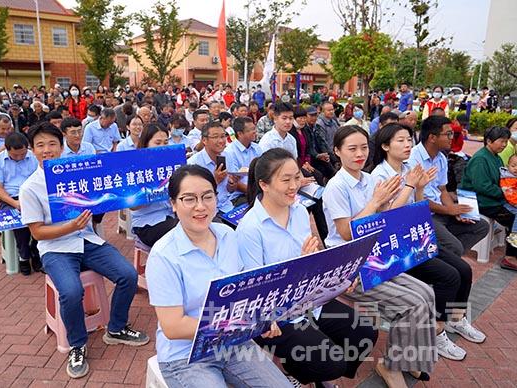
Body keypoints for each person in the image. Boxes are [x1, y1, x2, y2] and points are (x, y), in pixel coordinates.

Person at [236, 148, 378, 387]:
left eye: (296, 177)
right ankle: (300, 371)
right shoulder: (250, 229)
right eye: (286, 180)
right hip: (275, 315)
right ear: (264, 184)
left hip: (308, 299)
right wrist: (299, 266)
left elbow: (313, 261)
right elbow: (255, 291)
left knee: (364, 334)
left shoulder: (300, 211)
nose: (294, 185)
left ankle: (309, 371)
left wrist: (338, 278)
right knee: (332, 362)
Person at [19, 121, 149, 379]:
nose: (47, 150)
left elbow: (99, 201)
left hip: (86, 239)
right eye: (41, 145)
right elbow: (37, 233)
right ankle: (77, 345)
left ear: (61, 146)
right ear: (33, 150)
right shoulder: (29, 188)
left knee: (127, 275)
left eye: (52, 144)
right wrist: (70, 226)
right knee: (70, 291)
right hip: (56, 248)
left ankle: (116, 327)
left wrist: (110, 200)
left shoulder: (78, 176)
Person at [145, 164, 292, 388]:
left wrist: (262, 316)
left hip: (233, 344)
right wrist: (236, 324)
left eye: (207, 196)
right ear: (173, 204)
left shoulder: (227, 235)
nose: (200, 207)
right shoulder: (164, 255)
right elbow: (173, 326)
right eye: (189, 199)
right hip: (186, 356)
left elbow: (246, 288)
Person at [322, 125, 437, 387]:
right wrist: (375, 203)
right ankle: (390, 365)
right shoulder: (336, 187)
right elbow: (345, 232)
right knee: (412, 304)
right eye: (352, 149)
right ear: (337, 151)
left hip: (376, 256)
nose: (360, 154)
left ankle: (410, 357)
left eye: (364, 147)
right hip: (349, 266)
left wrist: (409, 189)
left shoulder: (371, 179)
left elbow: (388, 217)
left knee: (426, 294)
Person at [371, 122, 479, 360]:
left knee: (464, 269)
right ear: (386, 146)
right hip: (397, 246)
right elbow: (388, 219)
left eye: (409, 139)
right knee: (448, 277)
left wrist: (418, 188)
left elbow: (419, 208)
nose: (408, 144)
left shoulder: (409, 168)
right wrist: (410, 185)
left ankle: (456, 319)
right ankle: (436, 330)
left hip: (415, 237)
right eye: (400, 140)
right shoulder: (380, 175)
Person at [407, 116, 490, 342]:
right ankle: (442, 270)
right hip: (427, 215)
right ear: (432, 137)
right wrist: (448, 210)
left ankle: (455, 315)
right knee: (454, 251)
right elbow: (418, 201)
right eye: (448, 134)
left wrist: (455, 209)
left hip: (441, 211)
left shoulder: (441, 158)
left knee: (480, 225)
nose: (452, 138)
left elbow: (443, 190)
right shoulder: (413, 159)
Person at [461, 126, 517, 271]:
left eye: (506, 141)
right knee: (514, 217)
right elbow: (482, 186)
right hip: (480, 201)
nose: (504, 145)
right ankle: (510, 257)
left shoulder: (496, 157)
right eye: (501, 141)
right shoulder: (480, 159)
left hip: (494, 198)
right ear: (489, 141)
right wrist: (506, 193)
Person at [0, 132, 40, 275]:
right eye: (15, 155)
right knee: (20, 221)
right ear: (6, 148)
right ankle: (24, 255)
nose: (20, 158)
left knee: (43, 217)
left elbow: (41, 180)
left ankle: (36, 251)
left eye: (22, 154)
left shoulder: (34, 157)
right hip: (9, 199)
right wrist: (15, 203)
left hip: (32, 196)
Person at [131, 123, 179, 247]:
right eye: (157, 143)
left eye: (166, 142)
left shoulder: (172, 164)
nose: (163, 147)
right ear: (146, 144)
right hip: (147, 224)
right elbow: (133, 206)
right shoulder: (136, 169)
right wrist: (153, 191)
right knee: (183, 231)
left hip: (171, 215)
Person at [188, 121, 234, 214]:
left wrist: (233, 183)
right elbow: (194, 196)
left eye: (223, 136)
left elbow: (230, 190)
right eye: (215, 137)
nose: (221, 141)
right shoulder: (193, 164)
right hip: (207, 211)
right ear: (204, 140)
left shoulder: (228, 156)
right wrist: (215, 181)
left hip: (226, 206)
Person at [223, 116, 263, 206]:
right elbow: (235, 182)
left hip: (258, 189)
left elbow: (264, 169)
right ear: (240, 133)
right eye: (250, 130)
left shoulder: (256, 148)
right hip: (239, 196)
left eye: (254, 128)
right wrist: (255, 192)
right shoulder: (230, 152)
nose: (254, 132)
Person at [500, 154, 517, 247]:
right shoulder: (508, 179)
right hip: (508, 204)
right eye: (513, 166)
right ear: (507, 166)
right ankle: (514, 234)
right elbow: (509, 194)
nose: (516, 169)